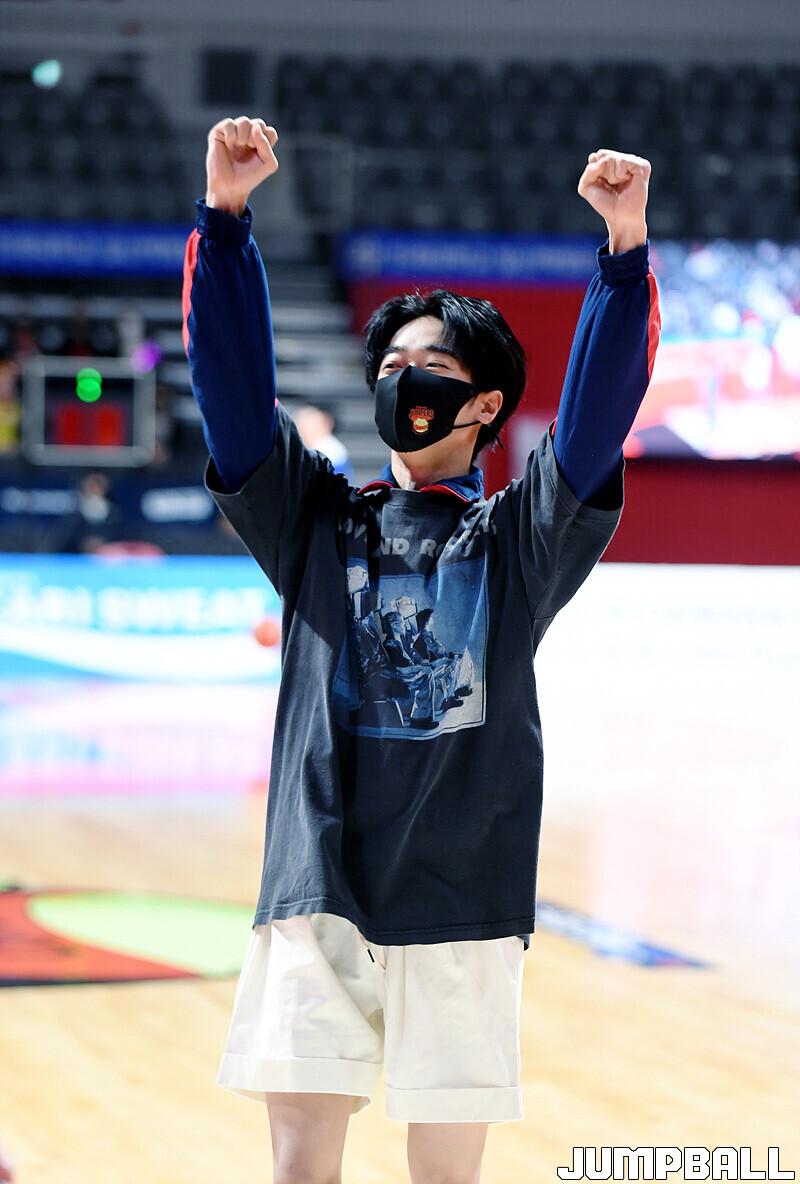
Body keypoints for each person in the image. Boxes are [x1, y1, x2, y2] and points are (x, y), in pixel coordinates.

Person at [182, 116, 660, 1184]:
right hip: (315, 886)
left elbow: (594, 423)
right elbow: (229, 396)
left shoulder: (517, 541)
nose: (407, 381)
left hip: (465, 897)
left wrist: (623, 255)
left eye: (432, 367)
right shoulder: (310, 520)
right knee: (299, 1169)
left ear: (484, 404)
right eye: (392, 365)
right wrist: (225, 223)